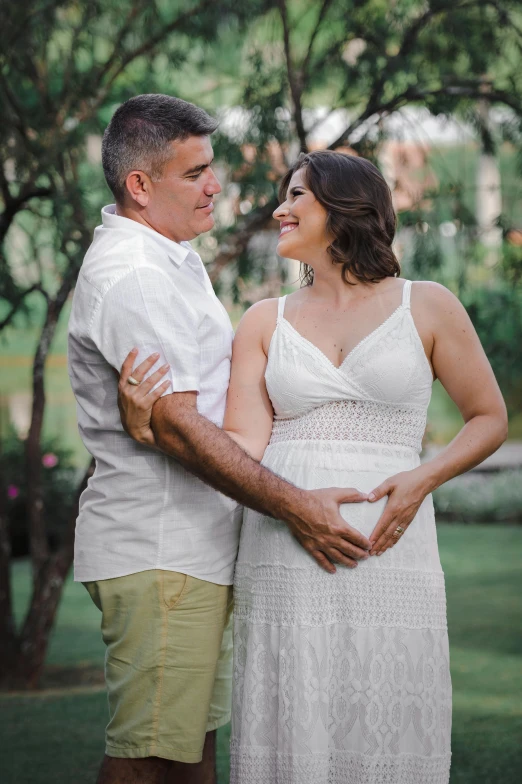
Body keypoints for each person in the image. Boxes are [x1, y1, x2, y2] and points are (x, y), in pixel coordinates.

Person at [118, 150, 508, 783]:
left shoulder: (428, 305)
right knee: (292, 723)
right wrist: (154, 428)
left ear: (344, 206)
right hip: (283, 548)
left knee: (382, 713)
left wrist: (422, 478)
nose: (280, 208)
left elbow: (488, 417)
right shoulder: (263, 319)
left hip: (390, 546)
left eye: (296, 194)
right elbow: (241, 447)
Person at [68, 96, 371, 784]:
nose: (216, 186)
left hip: (189, 551)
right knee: (146, 757)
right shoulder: (136, 277)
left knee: (189, 756)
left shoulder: (173, 261)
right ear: (139, 186)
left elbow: (188, 411)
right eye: (196, 172)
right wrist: (296, 505)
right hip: (160, 548)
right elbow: (178, 422)